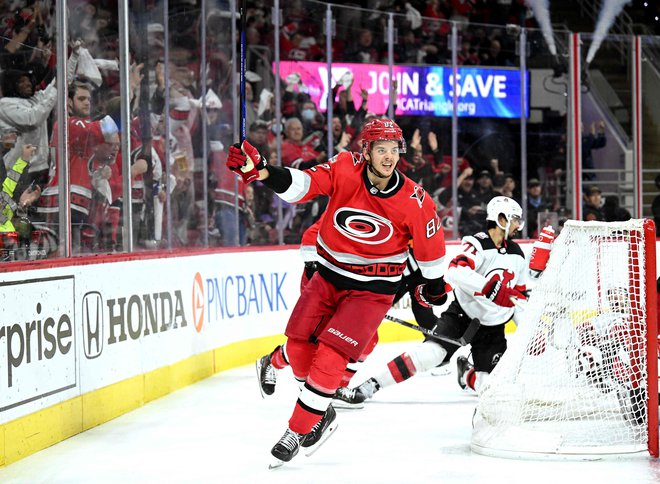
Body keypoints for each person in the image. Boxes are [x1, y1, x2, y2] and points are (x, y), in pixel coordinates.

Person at [226, 118, 447, 466]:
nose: (389, 157)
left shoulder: (414, 200)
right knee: (299, 348)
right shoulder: (345, 167)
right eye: (381, 149)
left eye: (393, 150)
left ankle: (296, 431)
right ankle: (319, 410)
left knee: (331, 355)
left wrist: (433, 288)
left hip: (372, 292)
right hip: (327, 277)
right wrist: (264, 170)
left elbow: (431, 250)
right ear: (367, 151)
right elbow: (304, 185)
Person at [337, 197, 555, 404]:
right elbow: (456, 271)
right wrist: (489, 288)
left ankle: (467, 373)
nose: (518, 225)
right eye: (515, 219)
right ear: (501, 219)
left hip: (493, 329)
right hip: (462, 317)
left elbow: (519, 297)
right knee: (430, 355)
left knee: (489, 388)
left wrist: (529, 330)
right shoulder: (478, 244)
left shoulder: (517, 254)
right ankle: (369, 387)